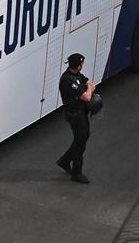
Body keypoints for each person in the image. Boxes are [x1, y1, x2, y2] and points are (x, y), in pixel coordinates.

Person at [56, 52, 96, 184]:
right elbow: (86, 96)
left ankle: (65, 160)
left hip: (80, 112)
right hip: (75, 115)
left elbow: (86, 81)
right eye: (82, 64)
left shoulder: (75, 75)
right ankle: (76, 172)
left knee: (83, 137)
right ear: (78, 66)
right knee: (81, 142)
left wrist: (88, 86)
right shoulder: (69, 80)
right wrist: (90, 88)